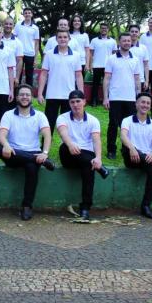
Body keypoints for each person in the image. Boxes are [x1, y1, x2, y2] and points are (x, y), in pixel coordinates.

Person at [0, 84, 54, 221]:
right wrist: (5, 145)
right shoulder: (8, 115)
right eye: (22, 94)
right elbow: (1, 136)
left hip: (33, 152)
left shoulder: (40, 116)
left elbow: (47, 135)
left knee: (31, 168)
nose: (24, 97)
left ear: (31, 97)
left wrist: (45, 153)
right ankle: (36, 160)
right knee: (0, 149)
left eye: (27, 95)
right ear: (17, 97)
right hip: (13, 153)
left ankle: (27, 206)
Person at [56, 90, 109, 221]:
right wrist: (70, 144)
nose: (75, 104)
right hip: (68, 154)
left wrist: (98, 158)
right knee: (65, 147)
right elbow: (63, 134)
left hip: (87, 156)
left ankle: (85, 208)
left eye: (78, 101)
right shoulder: (62, 117)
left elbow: (96, 140)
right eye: (72, 102)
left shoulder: (93, 120)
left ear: (84, 102)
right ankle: (98, 167)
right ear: (69, 103)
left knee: (89, 168)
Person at [120, 93, 152, 219]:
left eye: (148, 103)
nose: (145, 105)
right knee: (132, 151)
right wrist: (132, 148)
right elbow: (123, 137)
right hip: (131, 157)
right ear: (136, 104)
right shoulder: (127, 120)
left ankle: (146, 206)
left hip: (147, 160)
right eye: (142, 102)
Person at [37, 29, 84, 134]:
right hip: (52, 95)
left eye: (65, 37)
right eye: (60, 37)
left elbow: (78, 75)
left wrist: (81, 94)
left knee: (68, 125)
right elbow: (44, 74)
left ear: (69, 39)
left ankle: (67, 148)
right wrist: (40, 94)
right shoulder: (49, 54)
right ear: (56, 39)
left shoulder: (76, 55)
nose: (63, 39)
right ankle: (45, 148)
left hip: (69, 96)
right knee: (49, 124)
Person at [103, 33, 141, 159]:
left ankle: (127, 149)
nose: (126, 43)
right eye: (124, 40)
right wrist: (105, 97)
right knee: (113, 125)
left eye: (128, 41)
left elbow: (137, 79)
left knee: (129, 126)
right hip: (115, 98)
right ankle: (111, 150)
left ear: (132, 42)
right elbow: (107, 79)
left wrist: (138, 98)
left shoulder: (135, 59)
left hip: (130, 99)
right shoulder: (111, 59)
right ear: (119, 42)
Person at [88, 23, 116, 106]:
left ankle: (108, 100)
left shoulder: (113, 41)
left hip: (109, 66)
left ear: (108, 29)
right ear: (100, 30)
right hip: (97, 65)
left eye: (105, 28)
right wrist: (90, 65)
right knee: (95, 84)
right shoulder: (94, 40)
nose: (104, 30)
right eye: (102, 28)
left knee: (109, 84)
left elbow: (114, 54)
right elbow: (91, 54)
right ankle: (94, 101)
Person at [14, 8, 40, 86]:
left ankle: (29, 95)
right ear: (23, 14)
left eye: (29, 13)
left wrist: (35, 59)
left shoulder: (35, 28)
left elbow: (36, 43)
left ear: (31, 15)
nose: (27, 14)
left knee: (29, 76)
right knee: (18, 75)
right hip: (19, 54)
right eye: (25, 13)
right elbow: (14, 39)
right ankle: (16, 94)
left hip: (30, 54)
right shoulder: (18, 25)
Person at [1, 16, 24, 91]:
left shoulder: (18, 42)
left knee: (11, 99)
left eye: (10, 24)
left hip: (12, 76)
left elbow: (19, 61)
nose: (8, 26)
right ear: (3, 25)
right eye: (6, 24)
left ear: (13, 26)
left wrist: (17, 77)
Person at [128, 24, 150, 90]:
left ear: (139, 33)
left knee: (140, 100)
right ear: (129, 33)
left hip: (140, 80)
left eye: (136, 32)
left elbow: (146, 65)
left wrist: (147, 81)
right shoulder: (123, 47)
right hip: (126, 80)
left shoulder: (143, 48)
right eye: (132, 31)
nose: (134, 33)